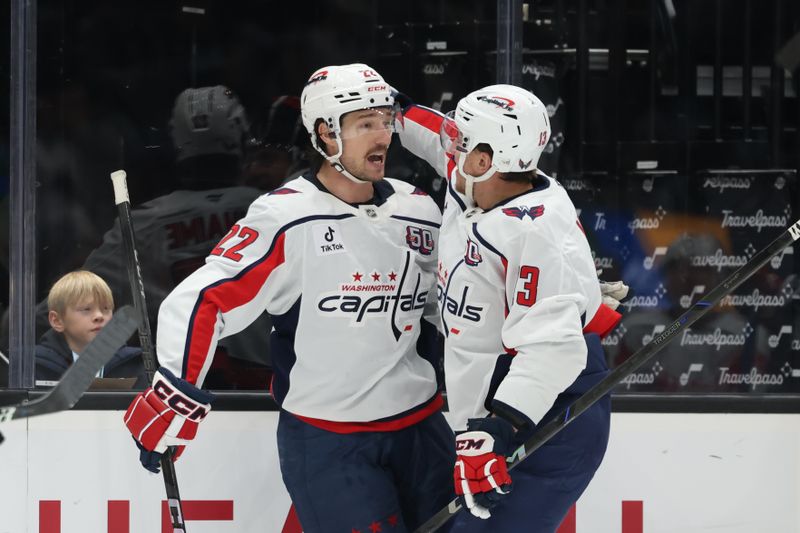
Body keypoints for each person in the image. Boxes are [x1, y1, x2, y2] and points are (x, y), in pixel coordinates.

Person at [122, 64, 455, 532]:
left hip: (423, 432)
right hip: (330, 442)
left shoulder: (418, 209)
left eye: (385, 120)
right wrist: (176, 395)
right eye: (365, 124)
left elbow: (453, 305)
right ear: (325, 132)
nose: (382, 135)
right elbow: (205, 300)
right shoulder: (286, 217)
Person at [397, 85, 623, 532]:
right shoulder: (482, 181)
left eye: (460, 140)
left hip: (545, 419)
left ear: (484, 160)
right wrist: (390, 107)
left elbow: (552, 350)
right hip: (492, 412)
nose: (450, 145)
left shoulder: (535, 232)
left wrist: (497, 429)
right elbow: (431, 136)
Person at [35, 270, 145, 386]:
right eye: (86, 309)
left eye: (106, 309)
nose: (99, 316)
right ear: (57, 321)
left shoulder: (134, 363)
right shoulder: (34, 366)